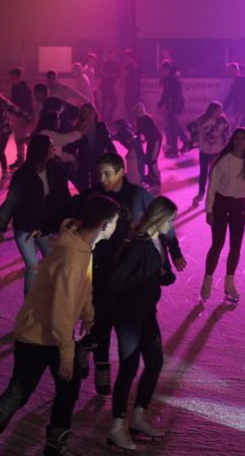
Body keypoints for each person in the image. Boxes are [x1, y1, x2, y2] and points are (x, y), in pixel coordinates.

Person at [0, 196, 122, 456]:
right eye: (115, 222)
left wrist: (88, 315)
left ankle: (55, 444)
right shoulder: (72, 256)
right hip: (36, 336)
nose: (117, 227)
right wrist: (67, 354)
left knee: (68, 389)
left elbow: (84, 287)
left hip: (56, 334)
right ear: (105, 225)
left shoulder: (82, 247)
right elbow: (62, 310)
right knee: (19, 391)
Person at [67, 153, 186, 396]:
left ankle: (87, 347)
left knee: (113, 320)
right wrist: (45, 227)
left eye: (107, 174)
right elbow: (67, 211)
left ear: (121, 172)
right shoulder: (93, 196)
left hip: (128, 270)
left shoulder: (138, 195)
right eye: (99, 173)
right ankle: (101, 366)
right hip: (100, 268)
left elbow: (160, 220)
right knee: (102, 320)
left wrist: (174, 252)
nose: (102, 179)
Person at [100, 196, 178, 450]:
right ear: (160, 218)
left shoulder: (158, 242)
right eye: (170, 220)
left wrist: (164, 276)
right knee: (129, 367)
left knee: (154, 362)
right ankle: (116, 428)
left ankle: (137, 417)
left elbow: (163, 275)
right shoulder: (138, 246)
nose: (172, 225)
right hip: (128, 317)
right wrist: (101, 317)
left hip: (146, 313)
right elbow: (116, 281)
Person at [0, 134, 72, 295]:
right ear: (42, 151)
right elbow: (11, 201)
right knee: (33, 267)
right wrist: (1, 226)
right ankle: (29, 304)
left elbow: (64, 197)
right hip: (25, 226)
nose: (54, 149)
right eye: (50, 147)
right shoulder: (24, 175)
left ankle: (52, 299)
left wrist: (68, 219)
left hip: (44, 226)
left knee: (52, 262)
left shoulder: (54, 169)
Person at [202, 128, 245, 303]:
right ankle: (207, 280)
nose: (239, 142)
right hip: (221, 205)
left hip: (238, 207)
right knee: (217, 244)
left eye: (243, 139)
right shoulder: (224, 161)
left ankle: (229, 282)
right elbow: (212, 186)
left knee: (235, 246)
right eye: (237, 138)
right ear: (232, 141)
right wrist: (209, 209)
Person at [72, 103, 118, 192]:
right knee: (83, 186)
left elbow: (108, 143)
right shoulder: (79, 128)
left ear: (94, 113)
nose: (87, 115)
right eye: (84, 113)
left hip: (98, 159)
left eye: (89, 112)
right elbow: (73, 145)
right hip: (83, 160)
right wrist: (72, 158)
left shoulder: (101, 126)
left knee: (97, 183)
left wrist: (115, 156)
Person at [193, 102, 229, 205]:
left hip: (217, 152)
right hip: (205, 151)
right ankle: (201, 193)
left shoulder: (222, 120)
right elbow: (199, 133)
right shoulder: (202, 120)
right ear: (213, 111)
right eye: (219, 110)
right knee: (203, 173)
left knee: (214, 175)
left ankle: (211, 196)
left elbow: (227, 134)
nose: (221, 112)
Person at [157, 60, 189, 158]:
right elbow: (165, 93)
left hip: (174, 106)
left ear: (167, 69)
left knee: (172, 127)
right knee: (172, 126)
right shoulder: (167, 79)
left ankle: (174, 148)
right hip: (170, 106)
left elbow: (177, 96)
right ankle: (183, 142)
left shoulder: (173, 80)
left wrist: (176, 111)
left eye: (163, 69)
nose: (162, 71)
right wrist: (160, 104)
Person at [223, 62, 245, 140]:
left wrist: (240, 110)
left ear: (236, 70)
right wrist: (224, 107)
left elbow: (244, 97)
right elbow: (232, 96)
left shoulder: (240, 82)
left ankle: (236, 142)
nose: (228, 72)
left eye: (230, 70)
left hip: (243, 109)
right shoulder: (239, 81)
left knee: (240, 127)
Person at [8, 68, 34, 169]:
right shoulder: (14, 87)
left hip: (22, 117)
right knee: (18, 138)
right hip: (17, 116)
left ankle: (32, 156)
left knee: (22, 139)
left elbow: (28, 104)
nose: (11, 79)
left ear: (18, 76)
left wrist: (25, 117)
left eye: (12, 77)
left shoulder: (25, 89)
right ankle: (20, 158)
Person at [134, 104, 163, 188]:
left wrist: (141, 137)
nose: (136, 113)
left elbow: (151, 131)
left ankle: (156, 178)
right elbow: (141, 131)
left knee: (152, 159)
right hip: (151, 140)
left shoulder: (147, 119)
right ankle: (151, 175)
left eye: (137, 111)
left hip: (156, 140)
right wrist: (142, 138)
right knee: (148, 158)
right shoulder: (140, 120)